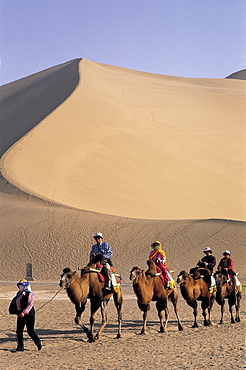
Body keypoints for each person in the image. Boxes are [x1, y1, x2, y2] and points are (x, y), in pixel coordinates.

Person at [13, 279, 41, 351]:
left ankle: (38, 343)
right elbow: (17, 303)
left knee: (30, 331)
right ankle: (20, 346)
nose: (20, 287)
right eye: (19, 286)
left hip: (29, 315)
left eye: (21, 286)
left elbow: (30, 304)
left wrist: (24, 312)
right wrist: (18, 311)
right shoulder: (19, 294)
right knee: (19, 331)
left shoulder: (29, 294)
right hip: (20, 315)